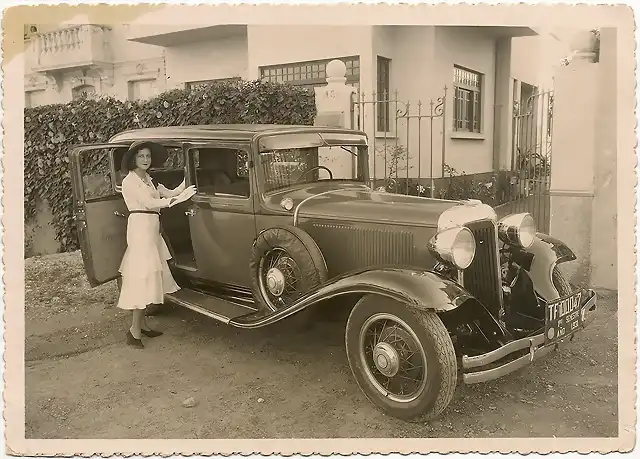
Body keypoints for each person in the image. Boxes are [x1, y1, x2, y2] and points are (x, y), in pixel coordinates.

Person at [116, 140, 196, 349]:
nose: (145, 160)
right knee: (143, 275)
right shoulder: (130, 182)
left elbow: (169, 192)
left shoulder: (149, 179)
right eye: (141, 156)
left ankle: (142, 324)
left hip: (151, 227)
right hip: (140, 227)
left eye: (148, 156)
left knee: (151, 273)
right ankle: (133, 330)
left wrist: (188, 180)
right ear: (133, 159)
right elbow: (150, 203)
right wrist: (174, 202)